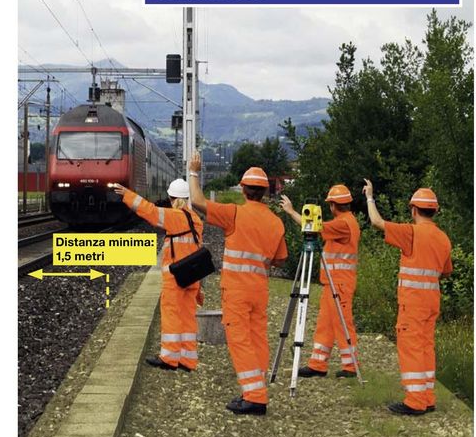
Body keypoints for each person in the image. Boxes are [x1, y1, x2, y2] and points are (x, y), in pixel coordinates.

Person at [188, 153, 287, 415]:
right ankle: (256, 388)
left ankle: (254, 396)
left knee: (240, 339)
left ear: (243, 189)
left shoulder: (234, 214)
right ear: (265, 192)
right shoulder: (276, 222)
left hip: (237, 291)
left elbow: (197, 201)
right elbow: (279, 260)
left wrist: (194, 172)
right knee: (257, 338)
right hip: (259, 290)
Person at [363, 181, 452, 415]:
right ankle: (427, 396)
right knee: (425, 347)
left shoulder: (411, 232)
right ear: (435, 211)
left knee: (411, 347)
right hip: (432, 300)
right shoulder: (443, 238)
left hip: (413, 302)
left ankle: (415, 401)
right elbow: (445, 271)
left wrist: (370, 197)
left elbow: (376, 222)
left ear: (413, 210)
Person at [114, 179, 204, 371]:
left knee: (171, 314)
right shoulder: (195, 219)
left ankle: (169, 358)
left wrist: (127, 195)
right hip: (193, 276)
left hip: (176, 277)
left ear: (172, 198)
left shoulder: (175, 217)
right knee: (188, 318)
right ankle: (188, 360)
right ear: (186, 198)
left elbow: (150, 211)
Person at [281, 185, 361, 378]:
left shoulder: (344, 224)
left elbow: (313, 227)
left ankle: (351, 367)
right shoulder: (344, 221)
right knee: (325, 324)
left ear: (333, 205)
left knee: (343, 324)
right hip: (333, 283)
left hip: (340, 284)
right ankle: (318, 363)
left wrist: (291, 211)